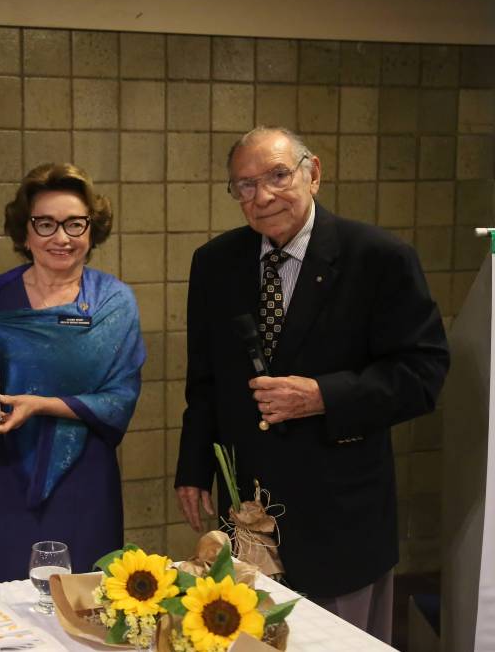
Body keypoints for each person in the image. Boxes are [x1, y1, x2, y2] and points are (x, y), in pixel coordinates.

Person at [174, 127, 449, 643]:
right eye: (245, 185)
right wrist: (193, 467)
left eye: (278, 176)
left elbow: (423, 372)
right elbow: (204, 380)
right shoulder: (215, 262)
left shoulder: (378, 257)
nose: (263, 196)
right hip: (247, 511)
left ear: (313, 174)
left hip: (340, 514)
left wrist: (324, 396)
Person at [0, 163, 145, 583]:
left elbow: (119, 398)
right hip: (0, 471)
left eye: (74, 224)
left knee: (81, 599)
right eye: (45, 224)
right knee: (1, 599)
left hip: (82, 480)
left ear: (92, 230)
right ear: (25, 232)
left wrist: (40, 405)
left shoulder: (114, 301)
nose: (61, 238)